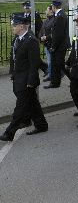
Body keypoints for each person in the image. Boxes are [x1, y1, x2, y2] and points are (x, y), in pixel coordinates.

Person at [0, 13, 48, 142]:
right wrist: (13, 74)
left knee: (20, 108)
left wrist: (31, 81)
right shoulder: (17, 39)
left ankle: (9, 133)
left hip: (27, 80)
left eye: (14, 25)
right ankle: (41, 125)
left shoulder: (31, 40)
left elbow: (34, 63)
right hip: (19, 77)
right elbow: (14, 58)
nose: (12, 28)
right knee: (32, 103)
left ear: (21, 26)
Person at [43, 0, 70, 89]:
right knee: (57, 65)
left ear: (54, 7)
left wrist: (53, 47)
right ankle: (55, 83)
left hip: (59, 46)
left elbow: (58, 34)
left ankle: (73, 79)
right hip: (59, 45)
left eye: (52, 7)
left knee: (59, 65)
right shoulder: (59, 15)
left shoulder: (60, 16)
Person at [39, 5, 56, 82]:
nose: (46, 11)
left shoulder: (54, 20)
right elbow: (42, 29)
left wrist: (46, 37)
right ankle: (51, 74)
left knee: (51, 61)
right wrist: (41, 37)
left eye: (47, 10)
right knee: (50, 60)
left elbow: (54, 33)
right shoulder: (46, 20)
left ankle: (52, 76)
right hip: (46, 44)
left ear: (51, 11)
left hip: (51, 44)